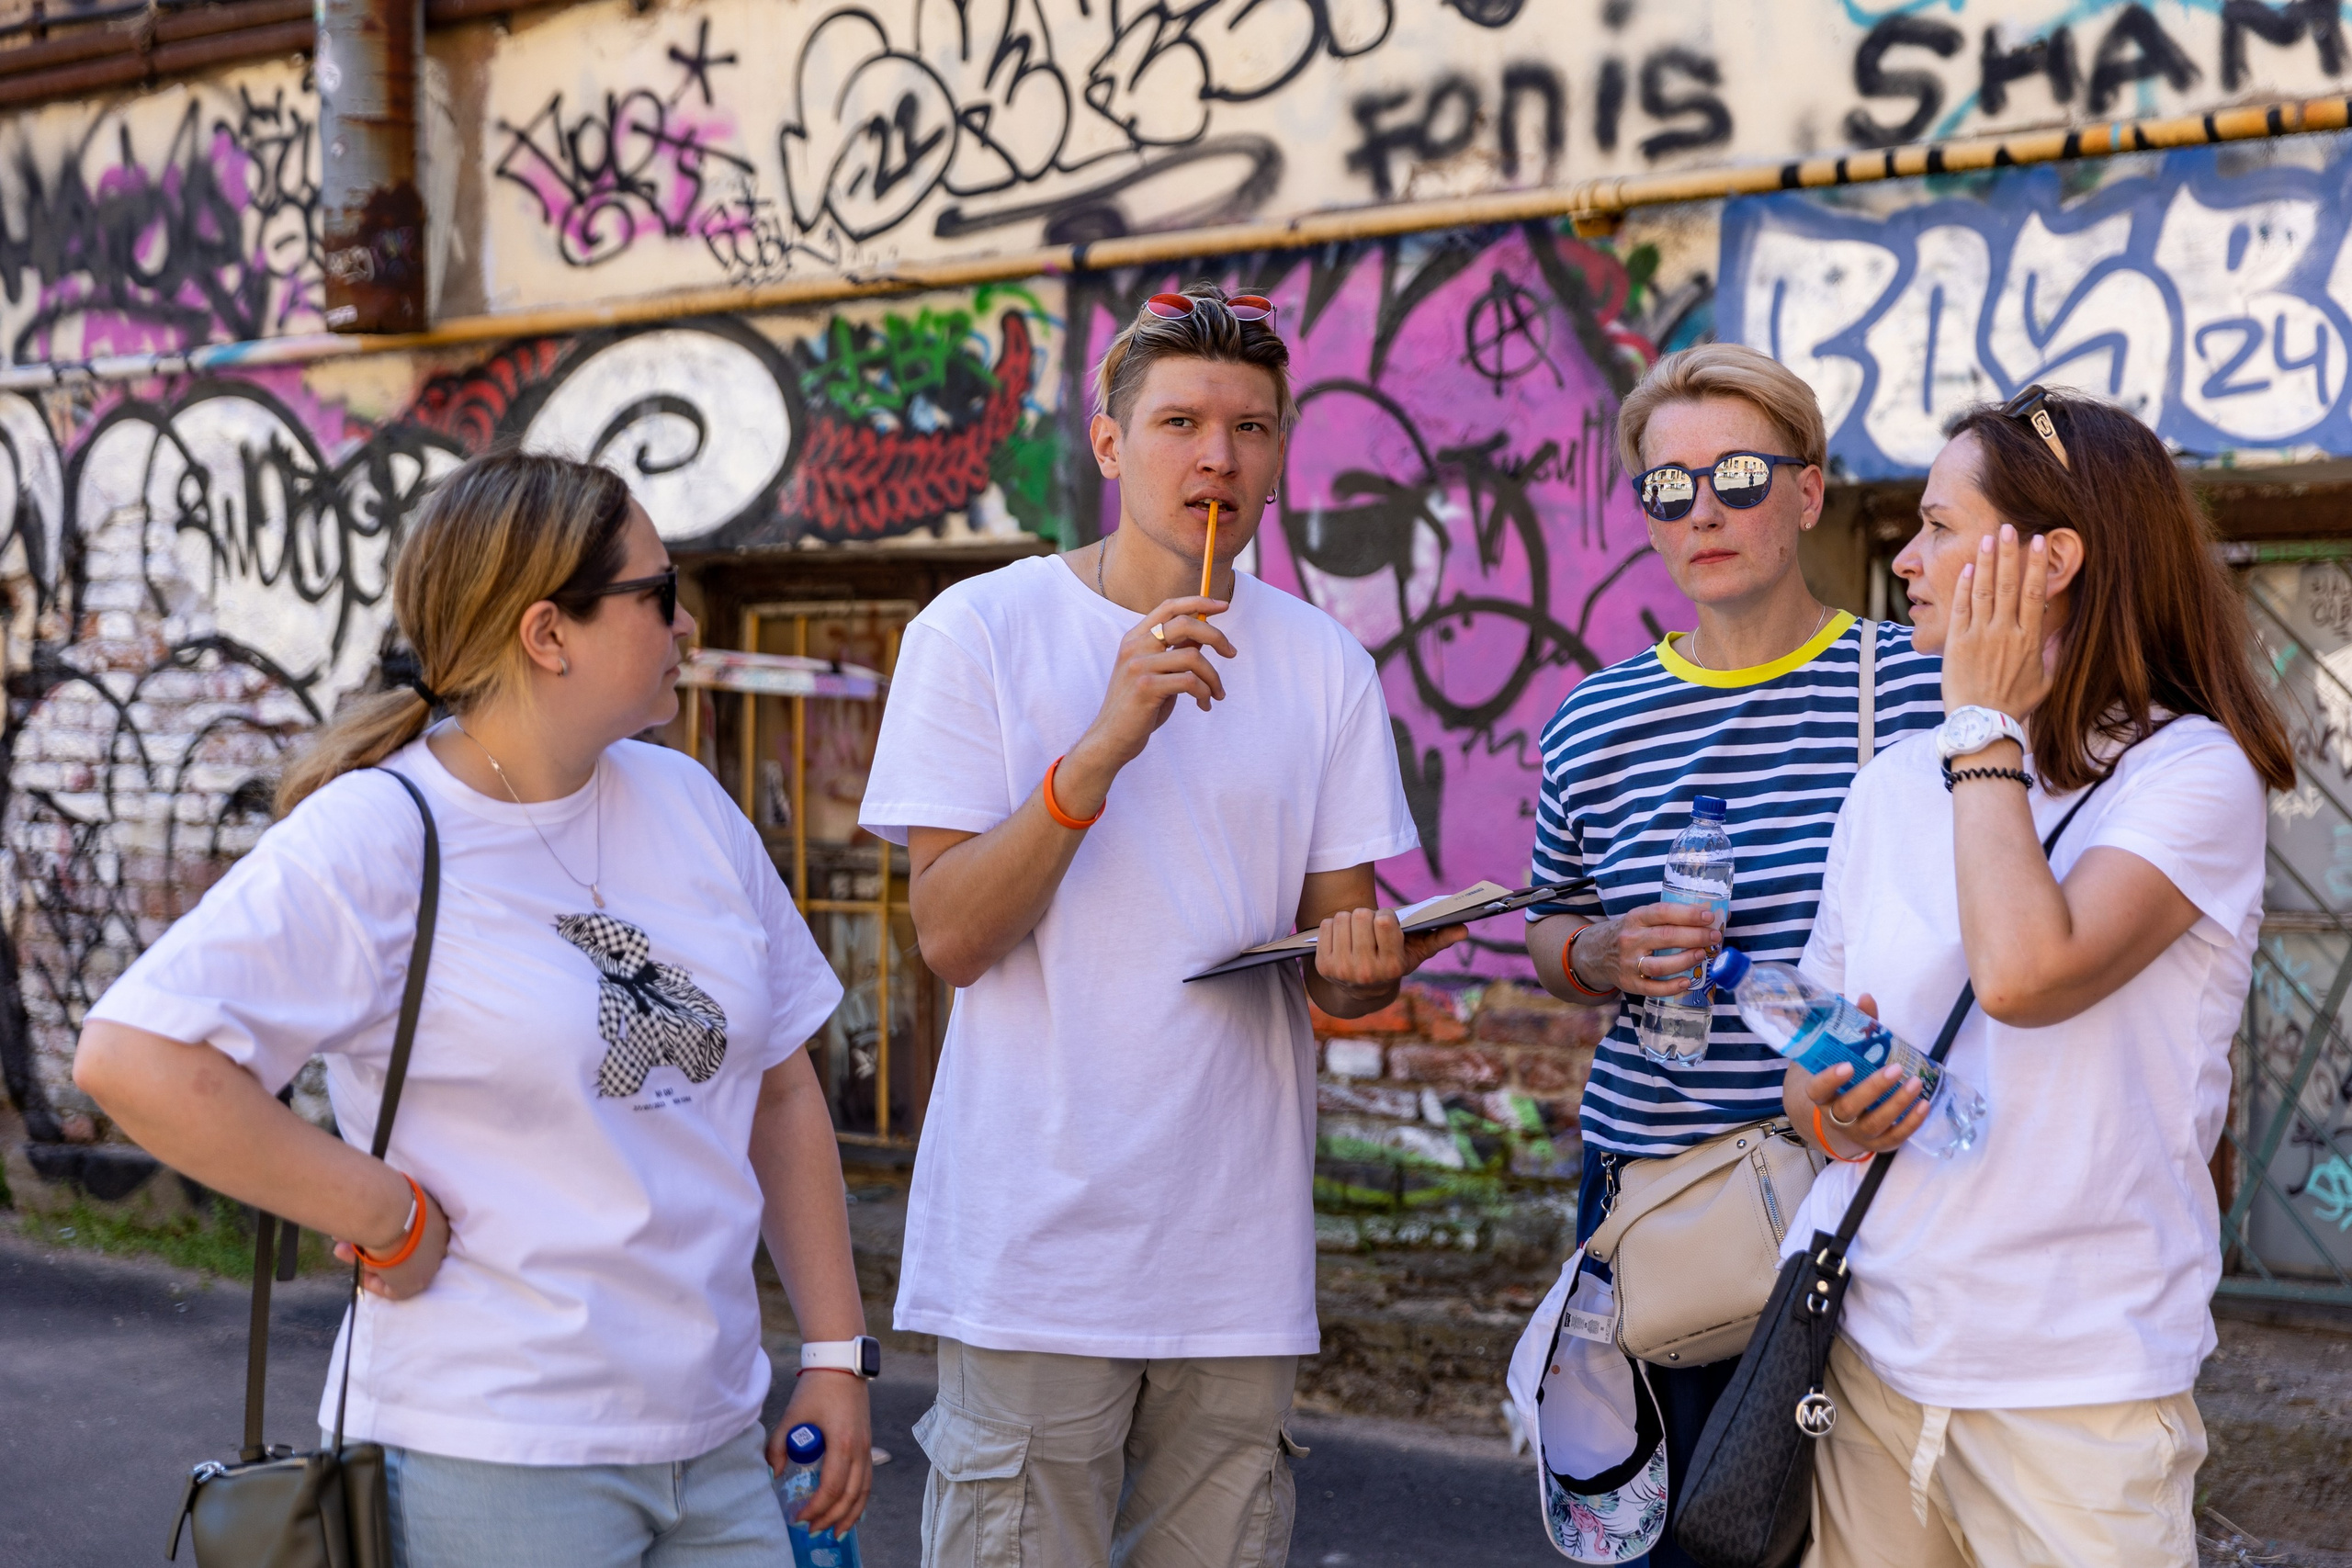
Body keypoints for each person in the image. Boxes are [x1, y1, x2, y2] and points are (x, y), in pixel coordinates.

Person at [73, 452, 875, 1566]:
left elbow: (780, 1085)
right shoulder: (383, 832)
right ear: (550, 635)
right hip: (492, 1452)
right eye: (659, 594)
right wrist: (381, 1210)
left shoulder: (687, 802)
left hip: (713, 1441)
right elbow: (135, 1056)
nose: (684, 624)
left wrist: (836, 1353)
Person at [859, 283, 1463, 1568]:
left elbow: (1336, 960)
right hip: (1034, 1249)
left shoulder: (1320, 663)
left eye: (1252, 426)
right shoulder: (981, 628)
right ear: (1110, 442)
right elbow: (954, 937)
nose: (1218, 455)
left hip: (1235, 1256)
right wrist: (1107, 741)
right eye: (1182, 419)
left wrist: (1366, 963)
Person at [1782, 388, 2292, 1568]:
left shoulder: (2185, 776)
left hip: (2076, 1397)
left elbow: (2022, 974)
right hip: (1870, 1360)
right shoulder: (1891, 782)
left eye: (1938, 528)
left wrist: (1980, 724)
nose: (1905, 562)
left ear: (2052, 558)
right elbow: (1812, 1080)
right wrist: (1832, 1102)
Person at [1521, 343, 1944, 1566]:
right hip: (1660, 1195)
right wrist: (1598, 948)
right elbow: (1548, 928)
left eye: (1739, 474)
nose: (1702, 507)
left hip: (1860, 1187)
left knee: (1860, 1534)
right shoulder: (1592, 722)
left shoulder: (1911, 680)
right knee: (1673, 1543)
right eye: (1668, 487)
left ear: (1808, 492)